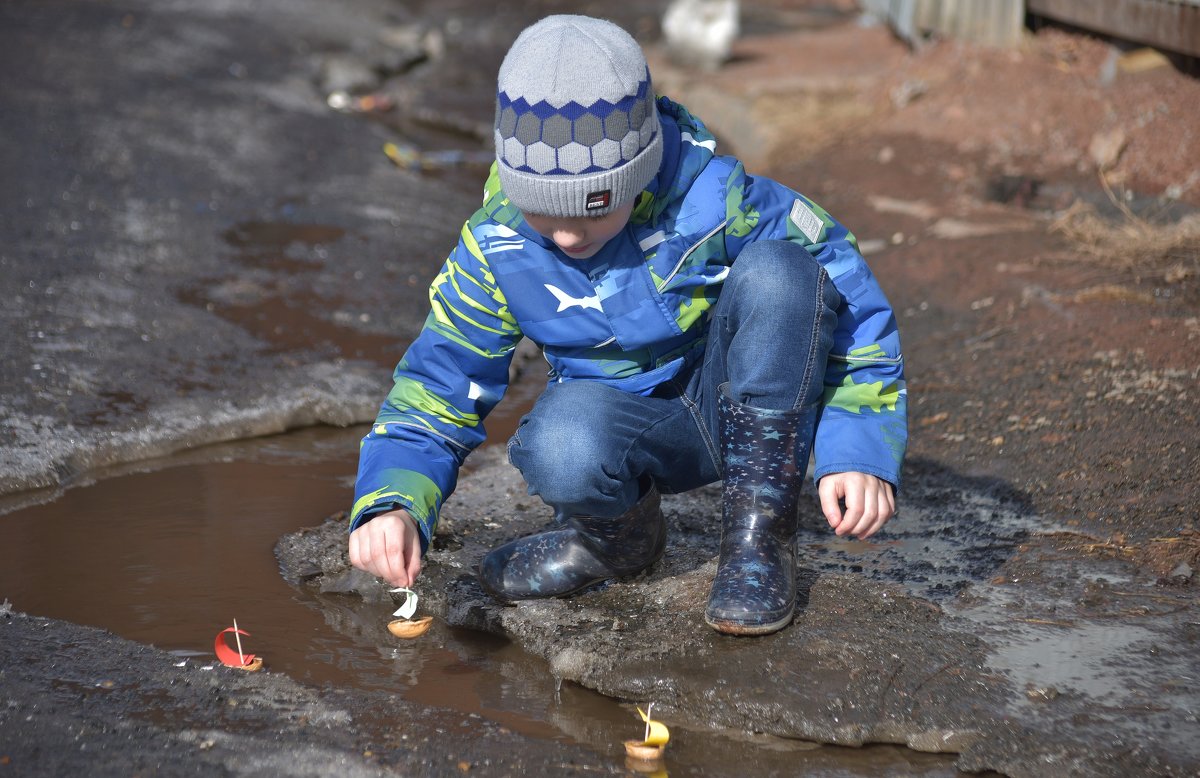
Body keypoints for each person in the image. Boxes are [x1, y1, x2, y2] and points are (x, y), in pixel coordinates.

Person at [348, 14, 906, 636]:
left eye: (592, 209)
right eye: (542, 210)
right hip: (627, 427)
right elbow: (441, 378)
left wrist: (857, 443)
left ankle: (759, 540)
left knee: (784, 271)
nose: (564, 235)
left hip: (743, 405)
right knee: (558, 442)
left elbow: (848, 291)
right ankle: (614, 541)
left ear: (639, 170)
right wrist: (393, 502)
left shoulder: (718, 203)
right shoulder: (498, 247)